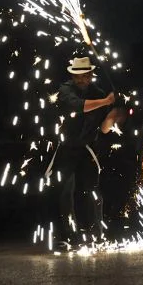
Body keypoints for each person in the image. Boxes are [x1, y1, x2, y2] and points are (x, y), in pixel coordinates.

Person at [50, 56, 126, 248]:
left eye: (84, 76)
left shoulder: (98, 93)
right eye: (77, 76)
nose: (81, 79)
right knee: (65, 191)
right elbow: (78, 106)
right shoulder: (65, 90)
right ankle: (66, 236)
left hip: (87, 149)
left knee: (92, 192)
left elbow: (104, 128)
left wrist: (115, 113)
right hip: (66, 148)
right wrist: (106, 101)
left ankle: (96, 234)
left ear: (91, 75)